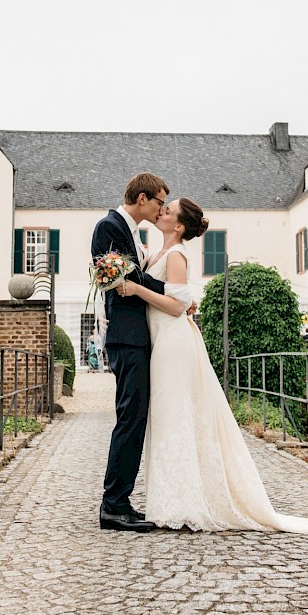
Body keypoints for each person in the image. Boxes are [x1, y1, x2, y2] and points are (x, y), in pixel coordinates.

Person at [118, 197, 308, 534]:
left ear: (178, 226)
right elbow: (180, 298)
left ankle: (183, 504)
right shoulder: (159, 252)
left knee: (175, 418)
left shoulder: (175, 254)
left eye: (169, 210)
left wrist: (135, 289)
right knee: (168, 419)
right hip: (163, 341)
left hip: (173, 344)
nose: (162, 211)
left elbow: (175, 306)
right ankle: (171, 500)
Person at [91, 171, 170, 533]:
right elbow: (126, 281)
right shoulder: (109, 227)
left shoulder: (132, 234)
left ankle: (121, 500)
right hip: (126, 336)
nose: (161, 210)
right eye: (159, 202)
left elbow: (135, 277)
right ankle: (113, 505)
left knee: (135, 418)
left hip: (137, 335)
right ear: (142, 198)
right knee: (129, 418)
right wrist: (173, 291)